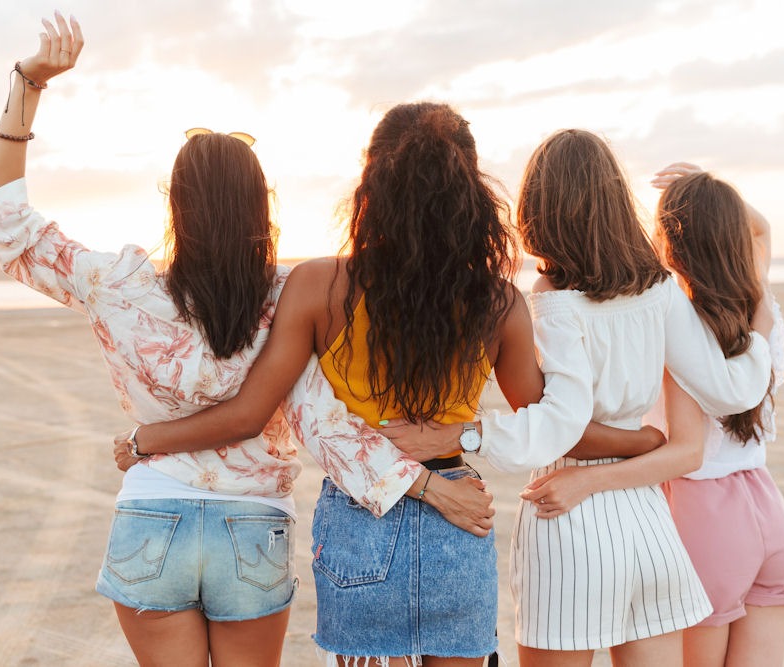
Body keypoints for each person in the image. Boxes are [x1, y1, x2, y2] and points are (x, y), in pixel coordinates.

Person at [0, 14, 492, 667]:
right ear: (262, 206)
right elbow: (324, 425)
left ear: (174, 203)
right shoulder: (285, 296)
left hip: (151, 513)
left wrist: (28, 85)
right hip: (251, 523)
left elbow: (5, 225)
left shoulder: (117, 283)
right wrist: (431, 484)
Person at [113, 101, 548, 666]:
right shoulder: (500, 302)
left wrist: (143, 439)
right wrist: (465, 435)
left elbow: (251, 408)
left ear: (372, 179)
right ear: (471, 191)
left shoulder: (322, 285)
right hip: (457, 513)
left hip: (360, 517)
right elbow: (546, 425)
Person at [383, 129, 775, 667]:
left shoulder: (554, 301)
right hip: (649, 520)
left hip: (568, 512)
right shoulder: (659, 287)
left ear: (539, 209)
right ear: (613, 199)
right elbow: (732, 389)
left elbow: (563, 420)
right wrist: (759, 329)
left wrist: (471, 433)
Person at [651, 164, 784, 666]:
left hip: (704, 516)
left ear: (671, 246)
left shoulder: (676, 324)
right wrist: (713, 189)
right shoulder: (760, 303)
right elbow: (761, 229)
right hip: (769, 508)